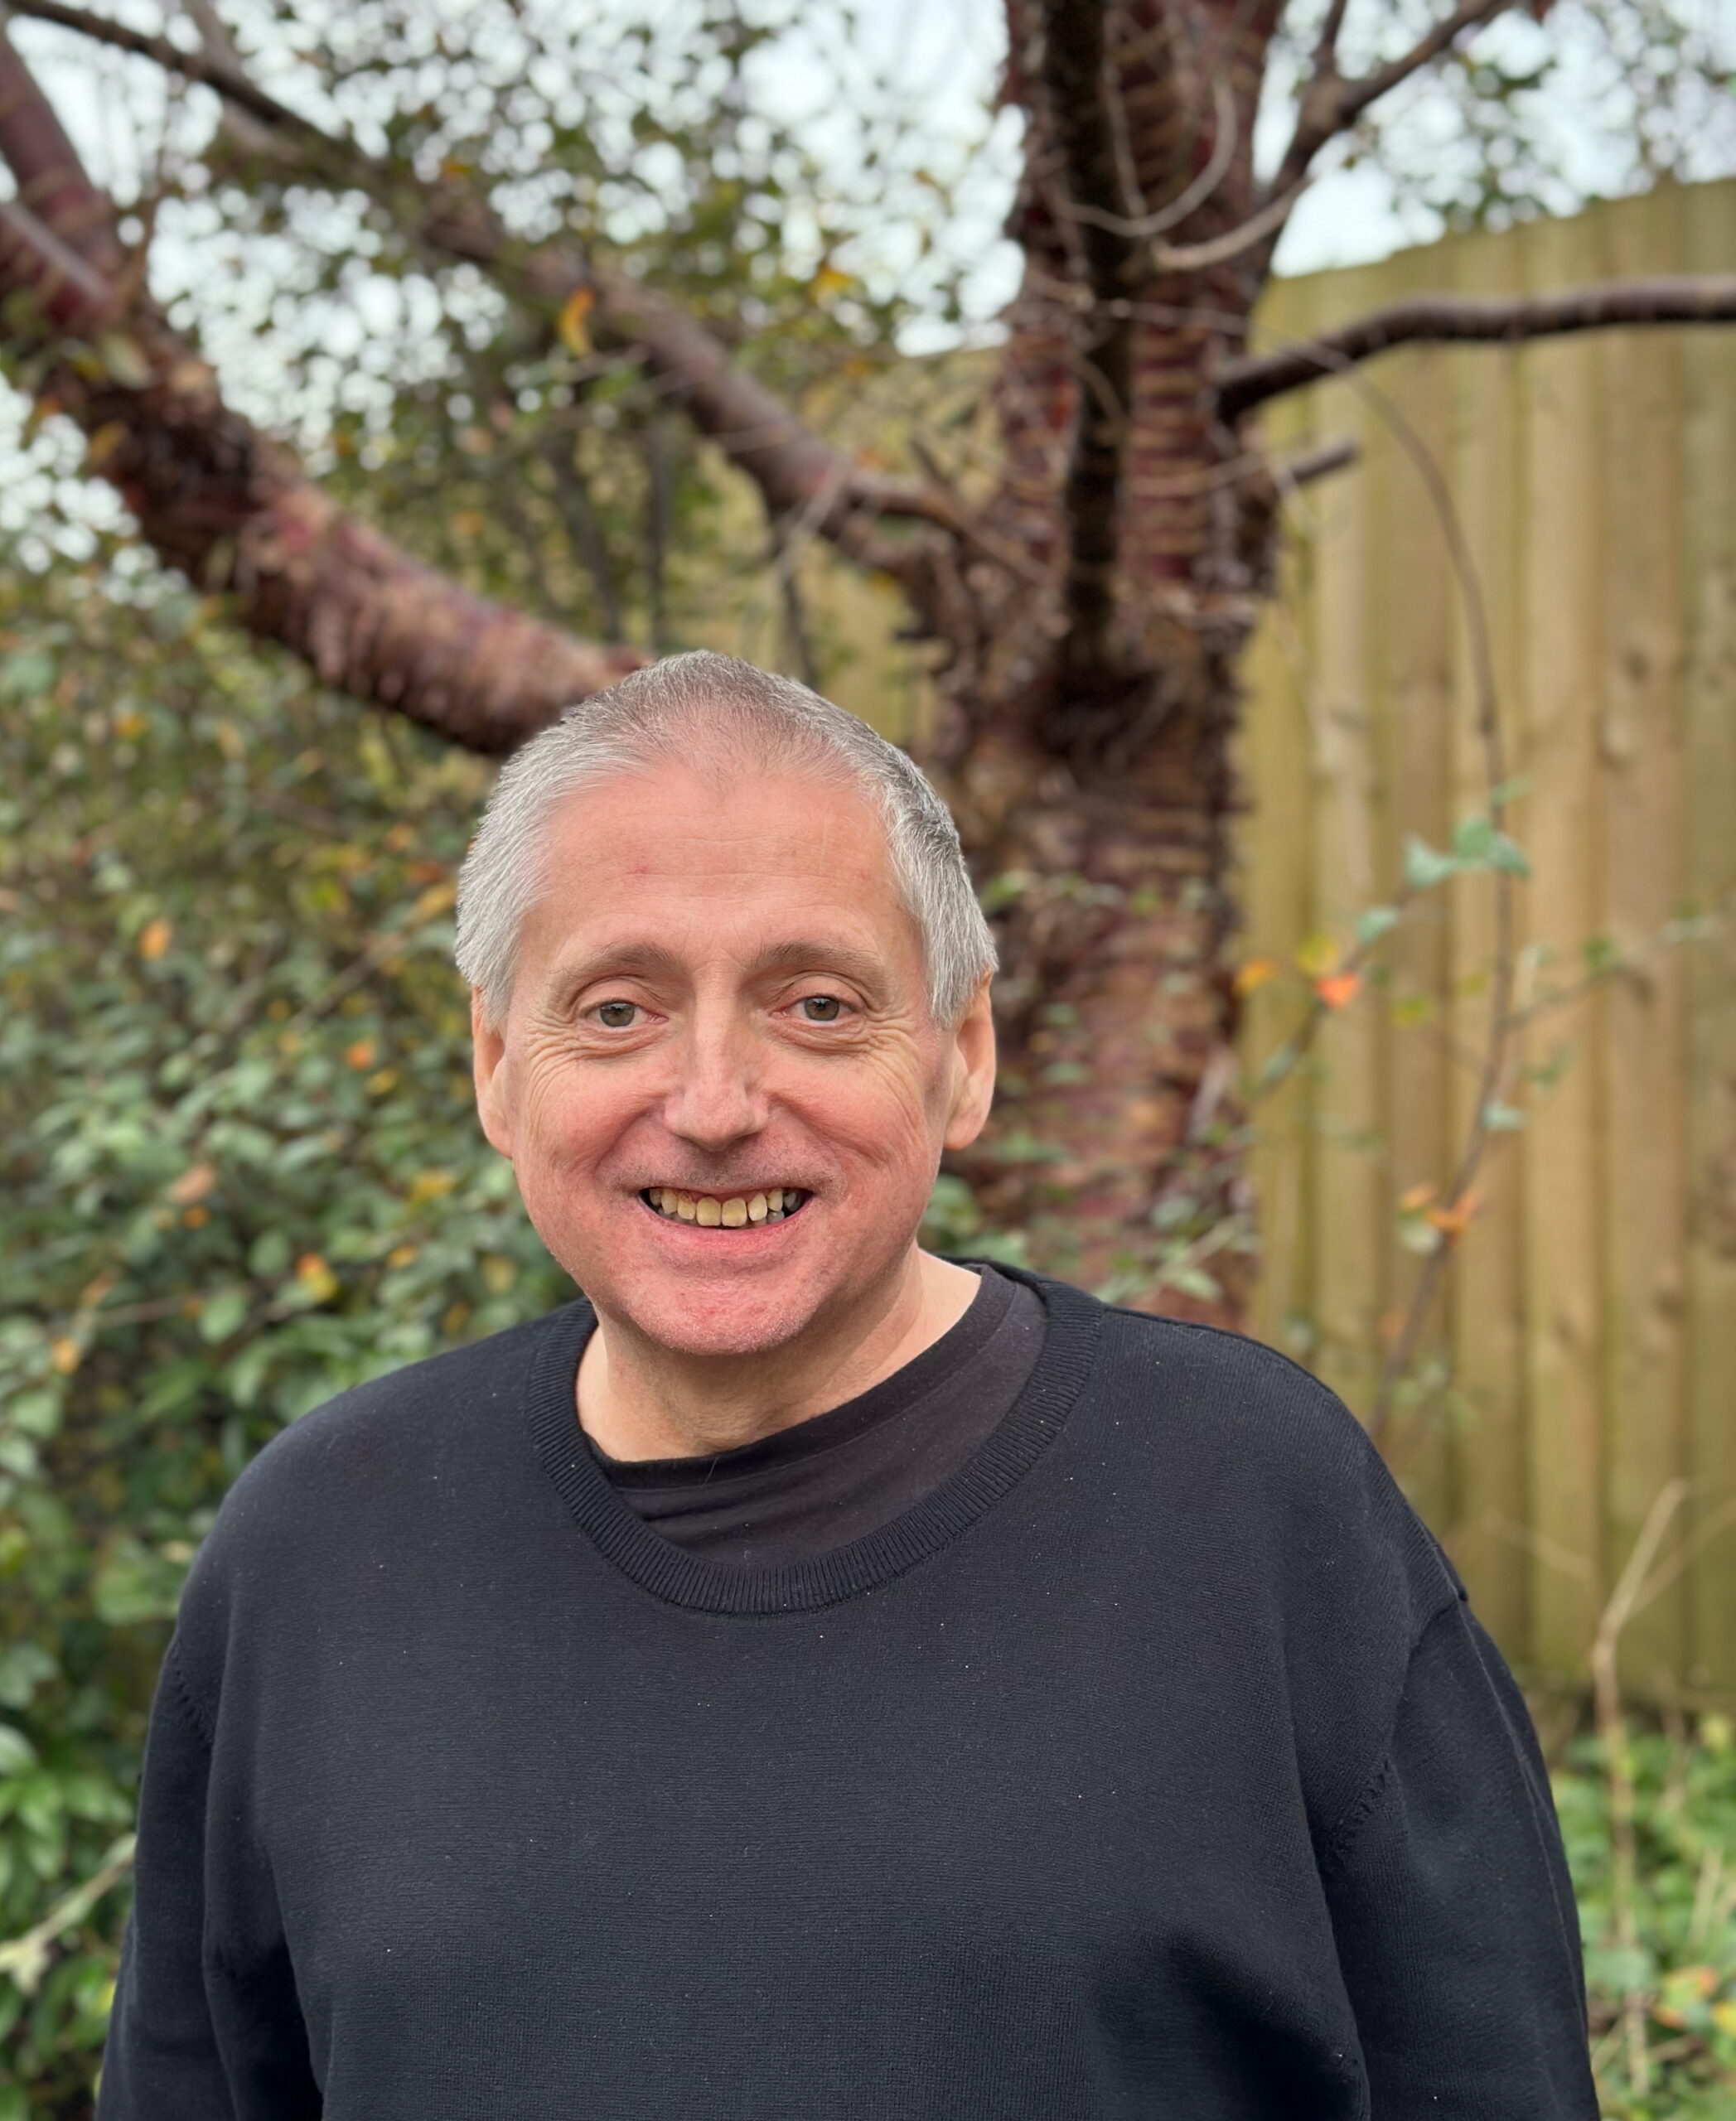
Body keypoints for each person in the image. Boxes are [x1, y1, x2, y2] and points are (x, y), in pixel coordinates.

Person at [98, 651, 1597, 2119]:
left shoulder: (1258, 1516)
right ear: (498, 1065)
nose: (714, 1106)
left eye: (816, 1005)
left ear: (963, 1052)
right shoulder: (321, 1552)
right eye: (617, 1009)